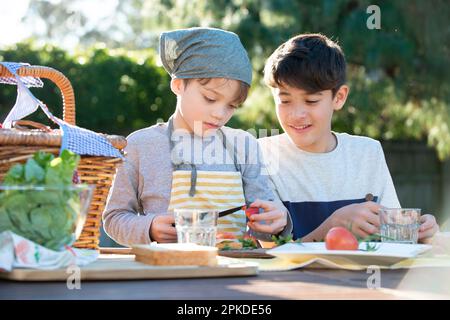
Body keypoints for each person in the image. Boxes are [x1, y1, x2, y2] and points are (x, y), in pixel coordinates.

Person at [103, 27, 291, 246]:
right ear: (178, 85)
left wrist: (278, 221)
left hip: (235, 269)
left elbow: (267, 220)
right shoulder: (140, 146)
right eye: (210, 99)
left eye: (231, 106)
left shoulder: (244, 145)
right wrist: (149, 227)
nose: (220, 114)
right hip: (171, 274)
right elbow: (113, 218)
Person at [258, 33, 439, 243]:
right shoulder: (262, 156)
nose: (297, 114)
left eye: (311, 101)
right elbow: (268, 254)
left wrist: (418, 232)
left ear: (339, 97)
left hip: (363, 276)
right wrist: (333, 226)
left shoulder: (367, 153)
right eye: (285, 101)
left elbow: (392, 238)